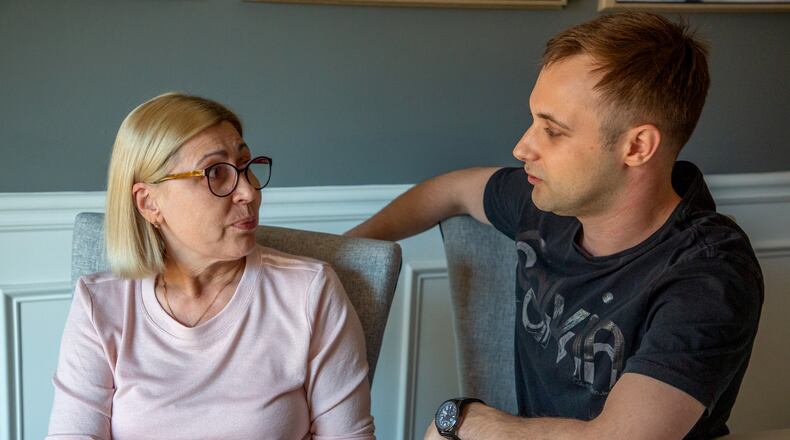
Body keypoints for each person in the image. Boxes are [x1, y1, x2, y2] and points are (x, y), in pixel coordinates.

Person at [346, 12, 762, 440]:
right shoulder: (545, 205)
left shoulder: (710, 272)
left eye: (553, 130)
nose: (522, 146)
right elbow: (449, 191)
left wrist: (467, 420)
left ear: (637, 146)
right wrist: (344, 252)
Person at [48, 92, 374, 439]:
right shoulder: (101, 305)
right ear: (149, 203)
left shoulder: (309, 292)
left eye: (246, 166)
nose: (248, 192)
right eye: (216, 172)